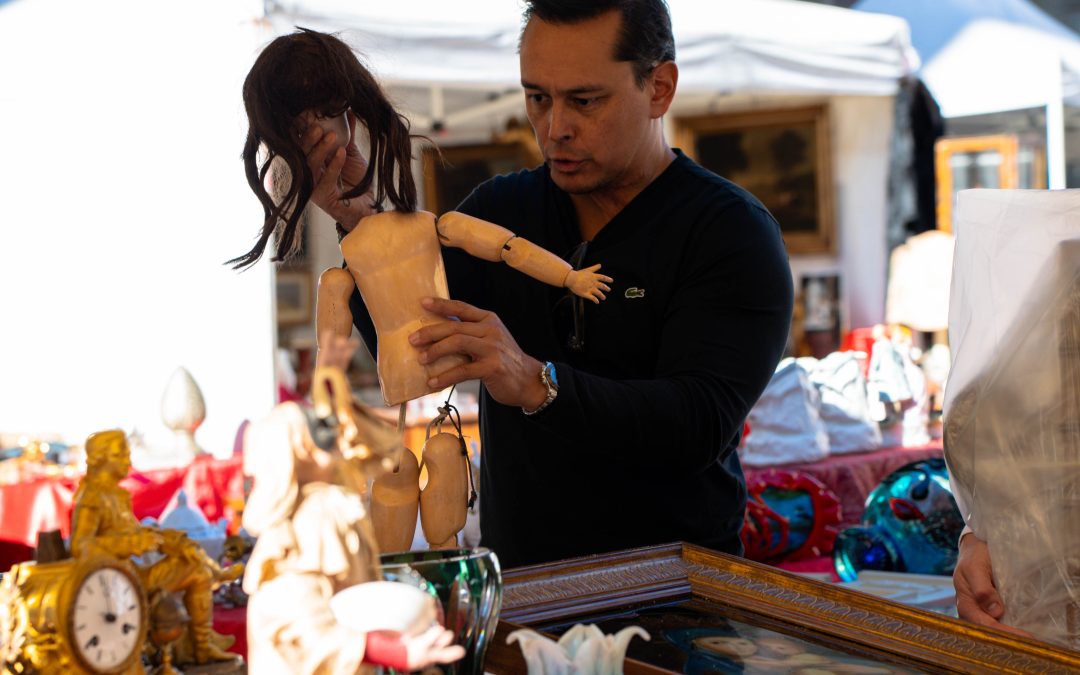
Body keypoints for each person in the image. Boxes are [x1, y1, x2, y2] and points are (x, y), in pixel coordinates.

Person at [303, 0, 793, 568]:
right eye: (538, 97)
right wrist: (361, 222)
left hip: (675, 592)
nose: (555, 128)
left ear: (659, 87)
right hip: (522, 585)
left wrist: (537, 382)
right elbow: (417, 339)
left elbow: (697, 424)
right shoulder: (501, 208)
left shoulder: (730, 231)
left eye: (585, 100)